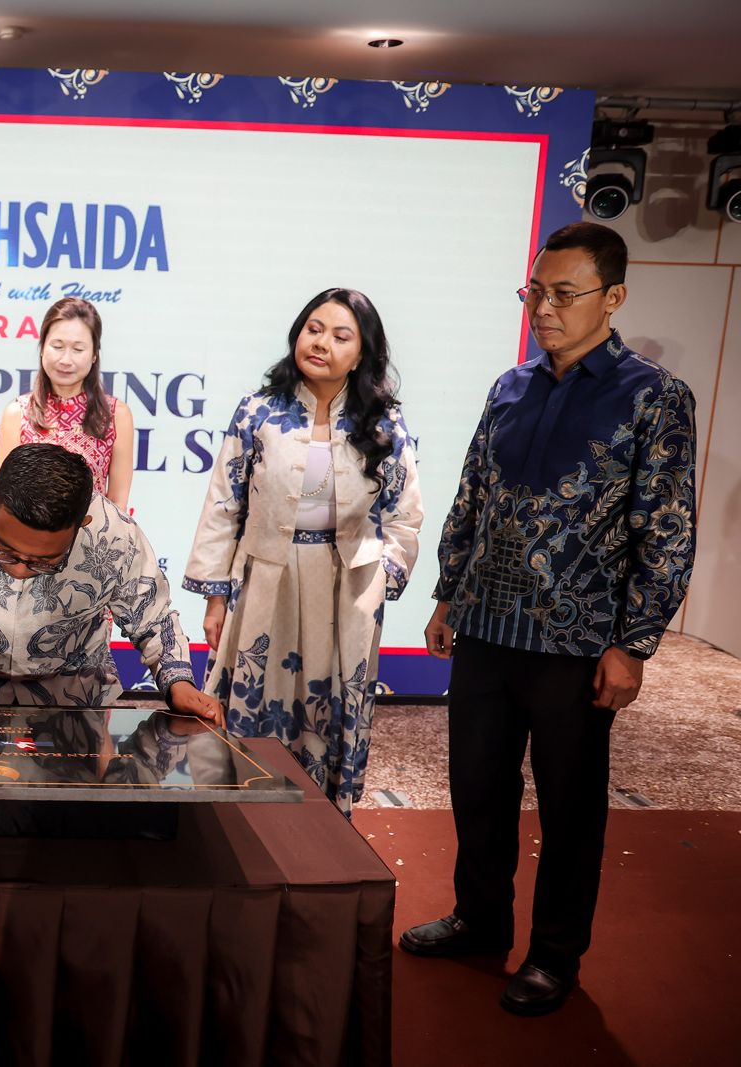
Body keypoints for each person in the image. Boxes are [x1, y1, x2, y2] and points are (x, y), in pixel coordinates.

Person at [400, 222, 697, 1016]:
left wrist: (634, 645)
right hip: (486, 627)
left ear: (614, 296)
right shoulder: (510, 385)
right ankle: (479, 917)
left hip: (577, 640)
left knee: (570, 808)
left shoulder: (653, 396)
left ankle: (555, 954)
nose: (544, 308)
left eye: (564, 294)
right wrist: (448, 591)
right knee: (478, 787)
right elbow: (473, 493)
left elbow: (667, 528)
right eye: (535, 292)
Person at [182, 288, 422, 817]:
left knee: (326, 710)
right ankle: (238, 822)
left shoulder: (384, 422)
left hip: (345, 588)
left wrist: (381, 578)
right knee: (251, 702)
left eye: (340, 336)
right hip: (263, 580)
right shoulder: (258, 411)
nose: (321, 343)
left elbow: (404, 513)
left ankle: (319, 828)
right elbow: (224, 503)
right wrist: (215, 598)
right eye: (314, 329)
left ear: (361, 354)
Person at [0, 442, 220, 722]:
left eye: (44, 561)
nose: (19, 571)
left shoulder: (114, 536)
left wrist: (178, 683)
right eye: (3, 551)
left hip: (74, 702)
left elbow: (154, 621)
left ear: (82, 526)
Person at [0, 297, 135, 509]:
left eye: (78, 349)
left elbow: (118, 504)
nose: (66, 360)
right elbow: (2, 500)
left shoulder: (116, 415)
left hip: (95, 529)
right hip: (25, 530)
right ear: (42, 347)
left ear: (94, 354)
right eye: (57, 346)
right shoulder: (18, 413)